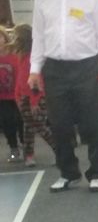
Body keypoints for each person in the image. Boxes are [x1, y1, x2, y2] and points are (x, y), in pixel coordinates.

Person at [29, 0, 98, 193]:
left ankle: (97, 173)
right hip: (54, 68)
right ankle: (68, 173)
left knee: (94, 122)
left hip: (87, 66)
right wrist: (34, 69)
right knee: (59, 124)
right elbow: (38, 36)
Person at [11, 24, 54, 168]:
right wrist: (18, 96)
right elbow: (20, 80)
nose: (13, 39)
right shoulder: (21, 57)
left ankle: (60, 150)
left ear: (21, 39)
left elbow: (36, 80)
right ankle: (29, 155)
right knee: (28, 127)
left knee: (39, 126)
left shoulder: (32, 58)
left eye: (15, 36)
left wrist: (34, 101)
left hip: (36, 96)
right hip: (24, 97)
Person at [0, 28, 23, 162]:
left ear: (5, 38)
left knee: (21, 120)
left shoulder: (14, 53)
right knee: (7, 121)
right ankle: (14, 148)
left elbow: (21, 72)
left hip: (17, 94)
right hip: (2, 97)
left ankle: (26, 145)